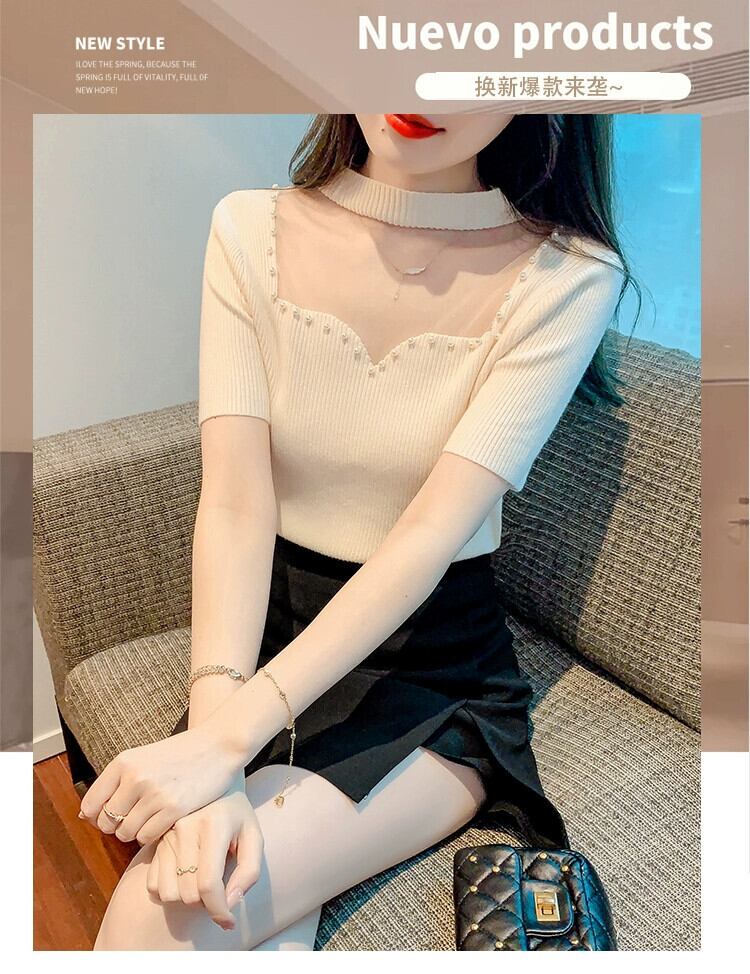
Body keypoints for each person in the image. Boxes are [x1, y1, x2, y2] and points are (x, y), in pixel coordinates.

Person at [83, 112, 634, 950]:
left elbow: (427, 536)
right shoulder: (248, 227)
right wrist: (218, 732)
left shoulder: (569, 274)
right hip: (259, 637)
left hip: (427, 671)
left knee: (168, 912)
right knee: (206, 898)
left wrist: (225, 743)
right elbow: (235, 500)